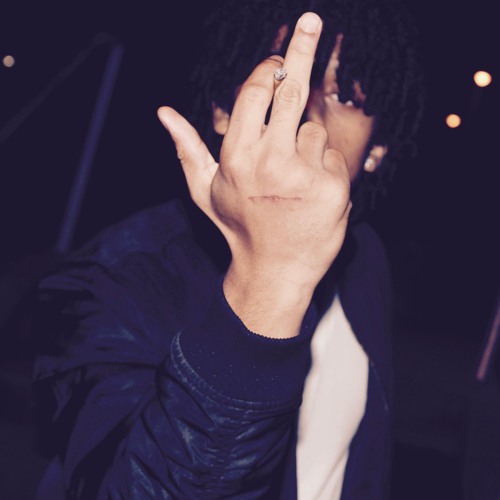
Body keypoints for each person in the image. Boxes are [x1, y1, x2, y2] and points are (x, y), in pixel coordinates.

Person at [32, 0, 424, 498]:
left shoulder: (366, 259)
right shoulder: (113, 278)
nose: (306, 115)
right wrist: (269, 284)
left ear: (377, 149)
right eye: (280, 81)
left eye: (345, 94)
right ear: (224, 112)